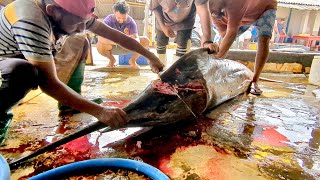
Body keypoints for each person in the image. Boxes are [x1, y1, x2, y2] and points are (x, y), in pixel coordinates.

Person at [0, 0, 164, 144]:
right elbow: (48, 83)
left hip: (30, 53)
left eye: (85, 23)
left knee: (80, 40)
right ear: (52, 11)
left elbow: (117, 36)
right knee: (24, 72)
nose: (81, 28)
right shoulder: (30, 18)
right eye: (77, 24)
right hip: (6, 62)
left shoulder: (74, 15)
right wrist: (99, 111)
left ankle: (69, 104)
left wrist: (150, 56)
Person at [209, 0, 277, 95]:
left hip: (264, 7)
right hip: (243, 14)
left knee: (264, 39)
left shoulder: (235, 3)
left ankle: (255, 81)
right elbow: (225, 35)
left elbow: (231, 33)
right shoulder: (212, 11)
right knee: (221, 40)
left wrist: (213, 63)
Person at [150, 0, 218, 66]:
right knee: (161, 43)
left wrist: (207, 41)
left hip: (186, 19)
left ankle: (177, 71)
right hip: (164, 19)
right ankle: (160, 68)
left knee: (182, 44)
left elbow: (203, 9)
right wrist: (163, 26)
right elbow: (155, 7)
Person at [97, 1, 149, 68]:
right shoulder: (108, 20)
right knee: (100, 45)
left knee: (145, 41)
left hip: (127, 46)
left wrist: (130, 40)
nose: (121, 20)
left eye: (124, 18)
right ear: (114, 12)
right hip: (113, 46)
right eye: (119, 18)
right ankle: (112, 60)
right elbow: (100, 38)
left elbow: (137, 39)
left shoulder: (131, 22)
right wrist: (118, 42)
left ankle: (132, 61)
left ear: (127, 13)